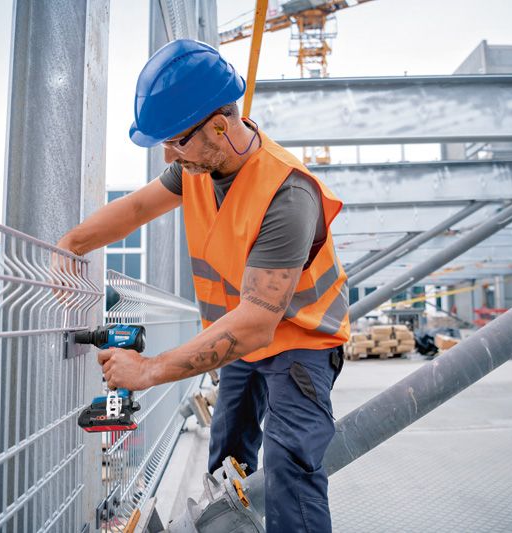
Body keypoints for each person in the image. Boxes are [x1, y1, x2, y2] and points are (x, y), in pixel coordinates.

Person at [57, 39, 349, 532]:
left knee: (291, 469)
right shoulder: (197, 165)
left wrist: (149, 370)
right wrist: (69, 246)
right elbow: (135, 210)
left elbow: (257, 323)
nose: (169, 154)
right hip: (241, 339)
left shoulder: (287, 193)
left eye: (176, 140)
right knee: (228, 459)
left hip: (301, 341)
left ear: (221, 121)